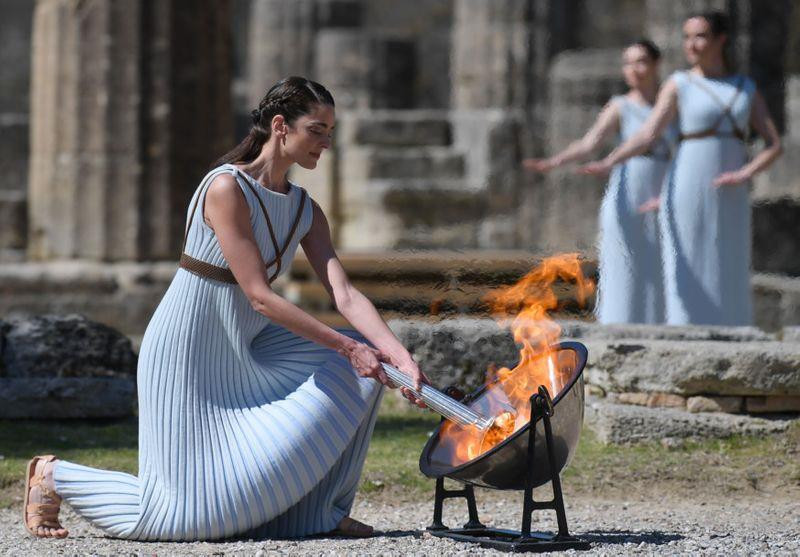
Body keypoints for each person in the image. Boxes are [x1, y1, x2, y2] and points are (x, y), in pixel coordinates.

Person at [23, 76, 429, 541]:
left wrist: (398, 356)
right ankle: (55, 476)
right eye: (317, 130)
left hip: (249, 347)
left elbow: (346, 294)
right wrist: (345, 345)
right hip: (188, 349)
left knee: (365, 369)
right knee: (182, 518)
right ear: (281, 126)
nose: (326, 143)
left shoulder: (306, 210)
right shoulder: (226, 188)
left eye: (330, 132)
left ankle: (317, 513)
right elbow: (258, 294)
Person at [579, 12, 782, 326]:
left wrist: (745, 174)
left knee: (729, 258)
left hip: (731, 185)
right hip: (687, 180)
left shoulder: (744, 87)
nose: (691, 44)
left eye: (700, 36)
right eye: (687, 37)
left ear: (720, 40)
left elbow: (773, 144)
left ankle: (733, 331)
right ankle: (683, 329)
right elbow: (648, 134)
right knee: (684, 257)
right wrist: (610, 160)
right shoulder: (679, 84)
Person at [524, 40, 678, 324]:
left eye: (641, 61)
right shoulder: (621, 107)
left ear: (656, 64)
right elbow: (589, 143)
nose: (633, 69)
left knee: (662, 266)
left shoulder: (670, 106)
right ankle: (618, 326)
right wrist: (556, 161)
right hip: (629, 192)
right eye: (627, 63)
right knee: (625, 264)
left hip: (663, 193)